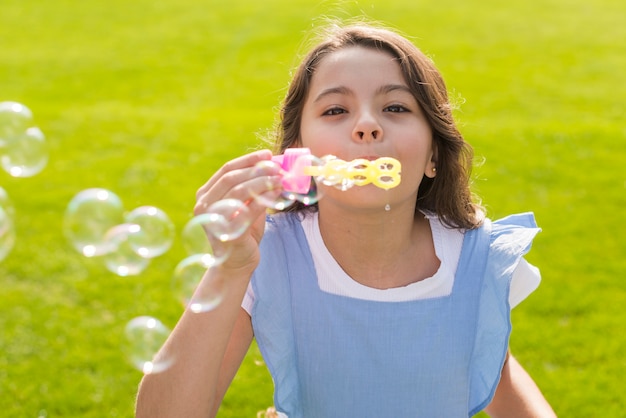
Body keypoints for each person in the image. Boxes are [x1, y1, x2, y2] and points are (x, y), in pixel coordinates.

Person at [135, 22, 557, 417]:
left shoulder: (478, 259)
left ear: (433, 154)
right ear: (298, 155)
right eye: (336, 111)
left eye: (395, 106)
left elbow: (489, 370)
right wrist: (230, 268)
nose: (367, 126)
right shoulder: (266, 257)